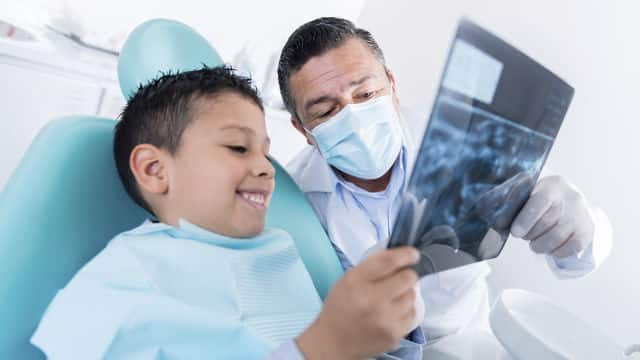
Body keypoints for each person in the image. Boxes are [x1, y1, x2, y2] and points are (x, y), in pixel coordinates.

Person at [30, 67, 426, 359]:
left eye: (265, 151)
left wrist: (389, 329)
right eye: (238, 147)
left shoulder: (276, 248)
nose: (267, 168)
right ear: (155, 170)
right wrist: (324, 347)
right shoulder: (117, 288)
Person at [277, 17, 613, 340]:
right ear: (302, 129)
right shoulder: (291, 204)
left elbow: (576, 261)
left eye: (365, 95)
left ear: (392, 85)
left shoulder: (464, 137)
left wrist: (581, 231)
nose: (353, 118)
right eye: (325, 112)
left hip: (469, 337)